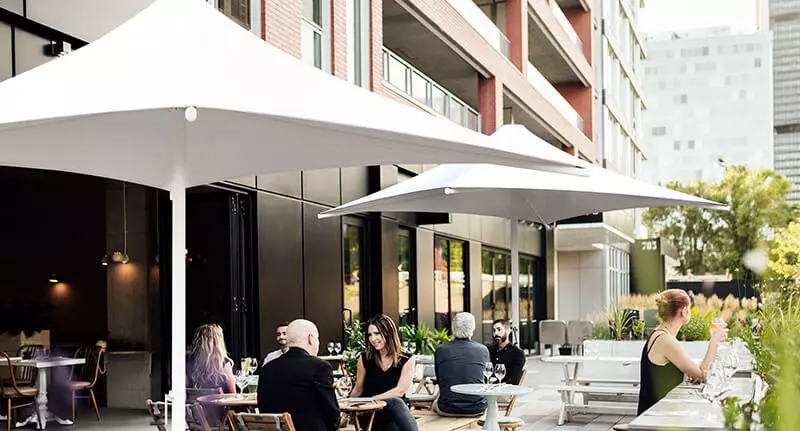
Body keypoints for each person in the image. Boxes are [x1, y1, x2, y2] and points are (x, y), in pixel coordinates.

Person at [637, 289, 727, 414]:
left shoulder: (660, 334)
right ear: (684, 311)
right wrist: (714, 342)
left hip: (655, 413)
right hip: (655, 418)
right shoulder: (666, 340)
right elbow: (701, 376)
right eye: (689, 308)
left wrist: (692, 374)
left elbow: (694, 373)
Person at [258, 319, 340, 431]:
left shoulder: (267, 368)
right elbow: (333, 415)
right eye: (317, 339)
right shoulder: (319, 367)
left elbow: (263, 408)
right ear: (311, 338)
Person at [350, 314, 419, 431]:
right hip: (371, 413)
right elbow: (358, 389)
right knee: (396, 408)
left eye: (377, 333)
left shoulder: (407, 359)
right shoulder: (365, 358)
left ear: (389, 333)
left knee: (394, 416)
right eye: (370, 335)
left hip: (395, 413)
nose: (372, 339)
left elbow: (400, 391)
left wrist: (372, 400)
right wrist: (347, 408)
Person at [432, 312, 489, 417]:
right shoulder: (483, 350)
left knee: (435, 400)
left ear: (453, 328)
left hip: (447, 409)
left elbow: (440, 380)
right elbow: (484, 380)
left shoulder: (440, 350)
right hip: (477, 408)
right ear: (472, 328)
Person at [187, 324, 236, 394]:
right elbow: (233, 395)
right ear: (219, 342)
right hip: (219, 404)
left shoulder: (190, 364)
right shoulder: (225, 364)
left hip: (195, 404)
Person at [488, 319, 526, 385]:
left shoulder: (517, 353)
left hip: (506, 392)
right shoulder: (489, 350)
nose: (495, 333)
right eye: (494, 330)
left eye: (499, 329)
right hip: (487, 389)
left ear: (508, 331)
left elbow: (514, 380)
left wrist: (496, 384)